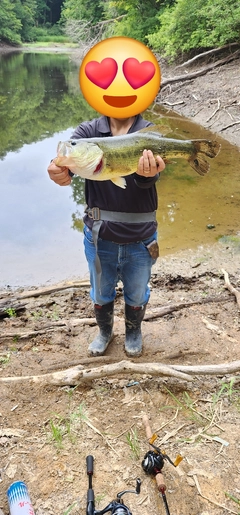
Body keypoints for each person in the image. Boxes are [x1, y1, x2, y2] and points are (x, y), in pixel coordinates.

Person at [47, 114, 165, 357]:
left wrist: (149, 174)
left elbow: (150, 180)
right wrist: (57, 167)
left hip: (141, 238)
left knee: (137, 291)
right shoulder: (89, 130)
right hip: (99, 237)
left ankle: (133, 331)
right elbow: (68, 156)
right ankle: (104, 331)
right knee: (101, 292)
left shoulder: (147, 131)